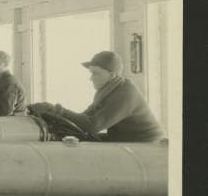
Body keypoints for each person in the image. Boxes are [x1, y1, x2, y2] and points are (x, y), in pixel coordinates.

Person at [28, 50, 164, 142]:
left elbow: (92, 126)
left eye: (96, 73)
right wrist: (55, 114)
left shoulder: (125, 94)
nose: (91, 78)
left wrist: (57, 110)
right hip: (124, 140)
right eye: (91, 73)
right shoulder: (107, 89)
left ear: (112, 75)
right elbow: (86, 117)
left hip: (146, 146)